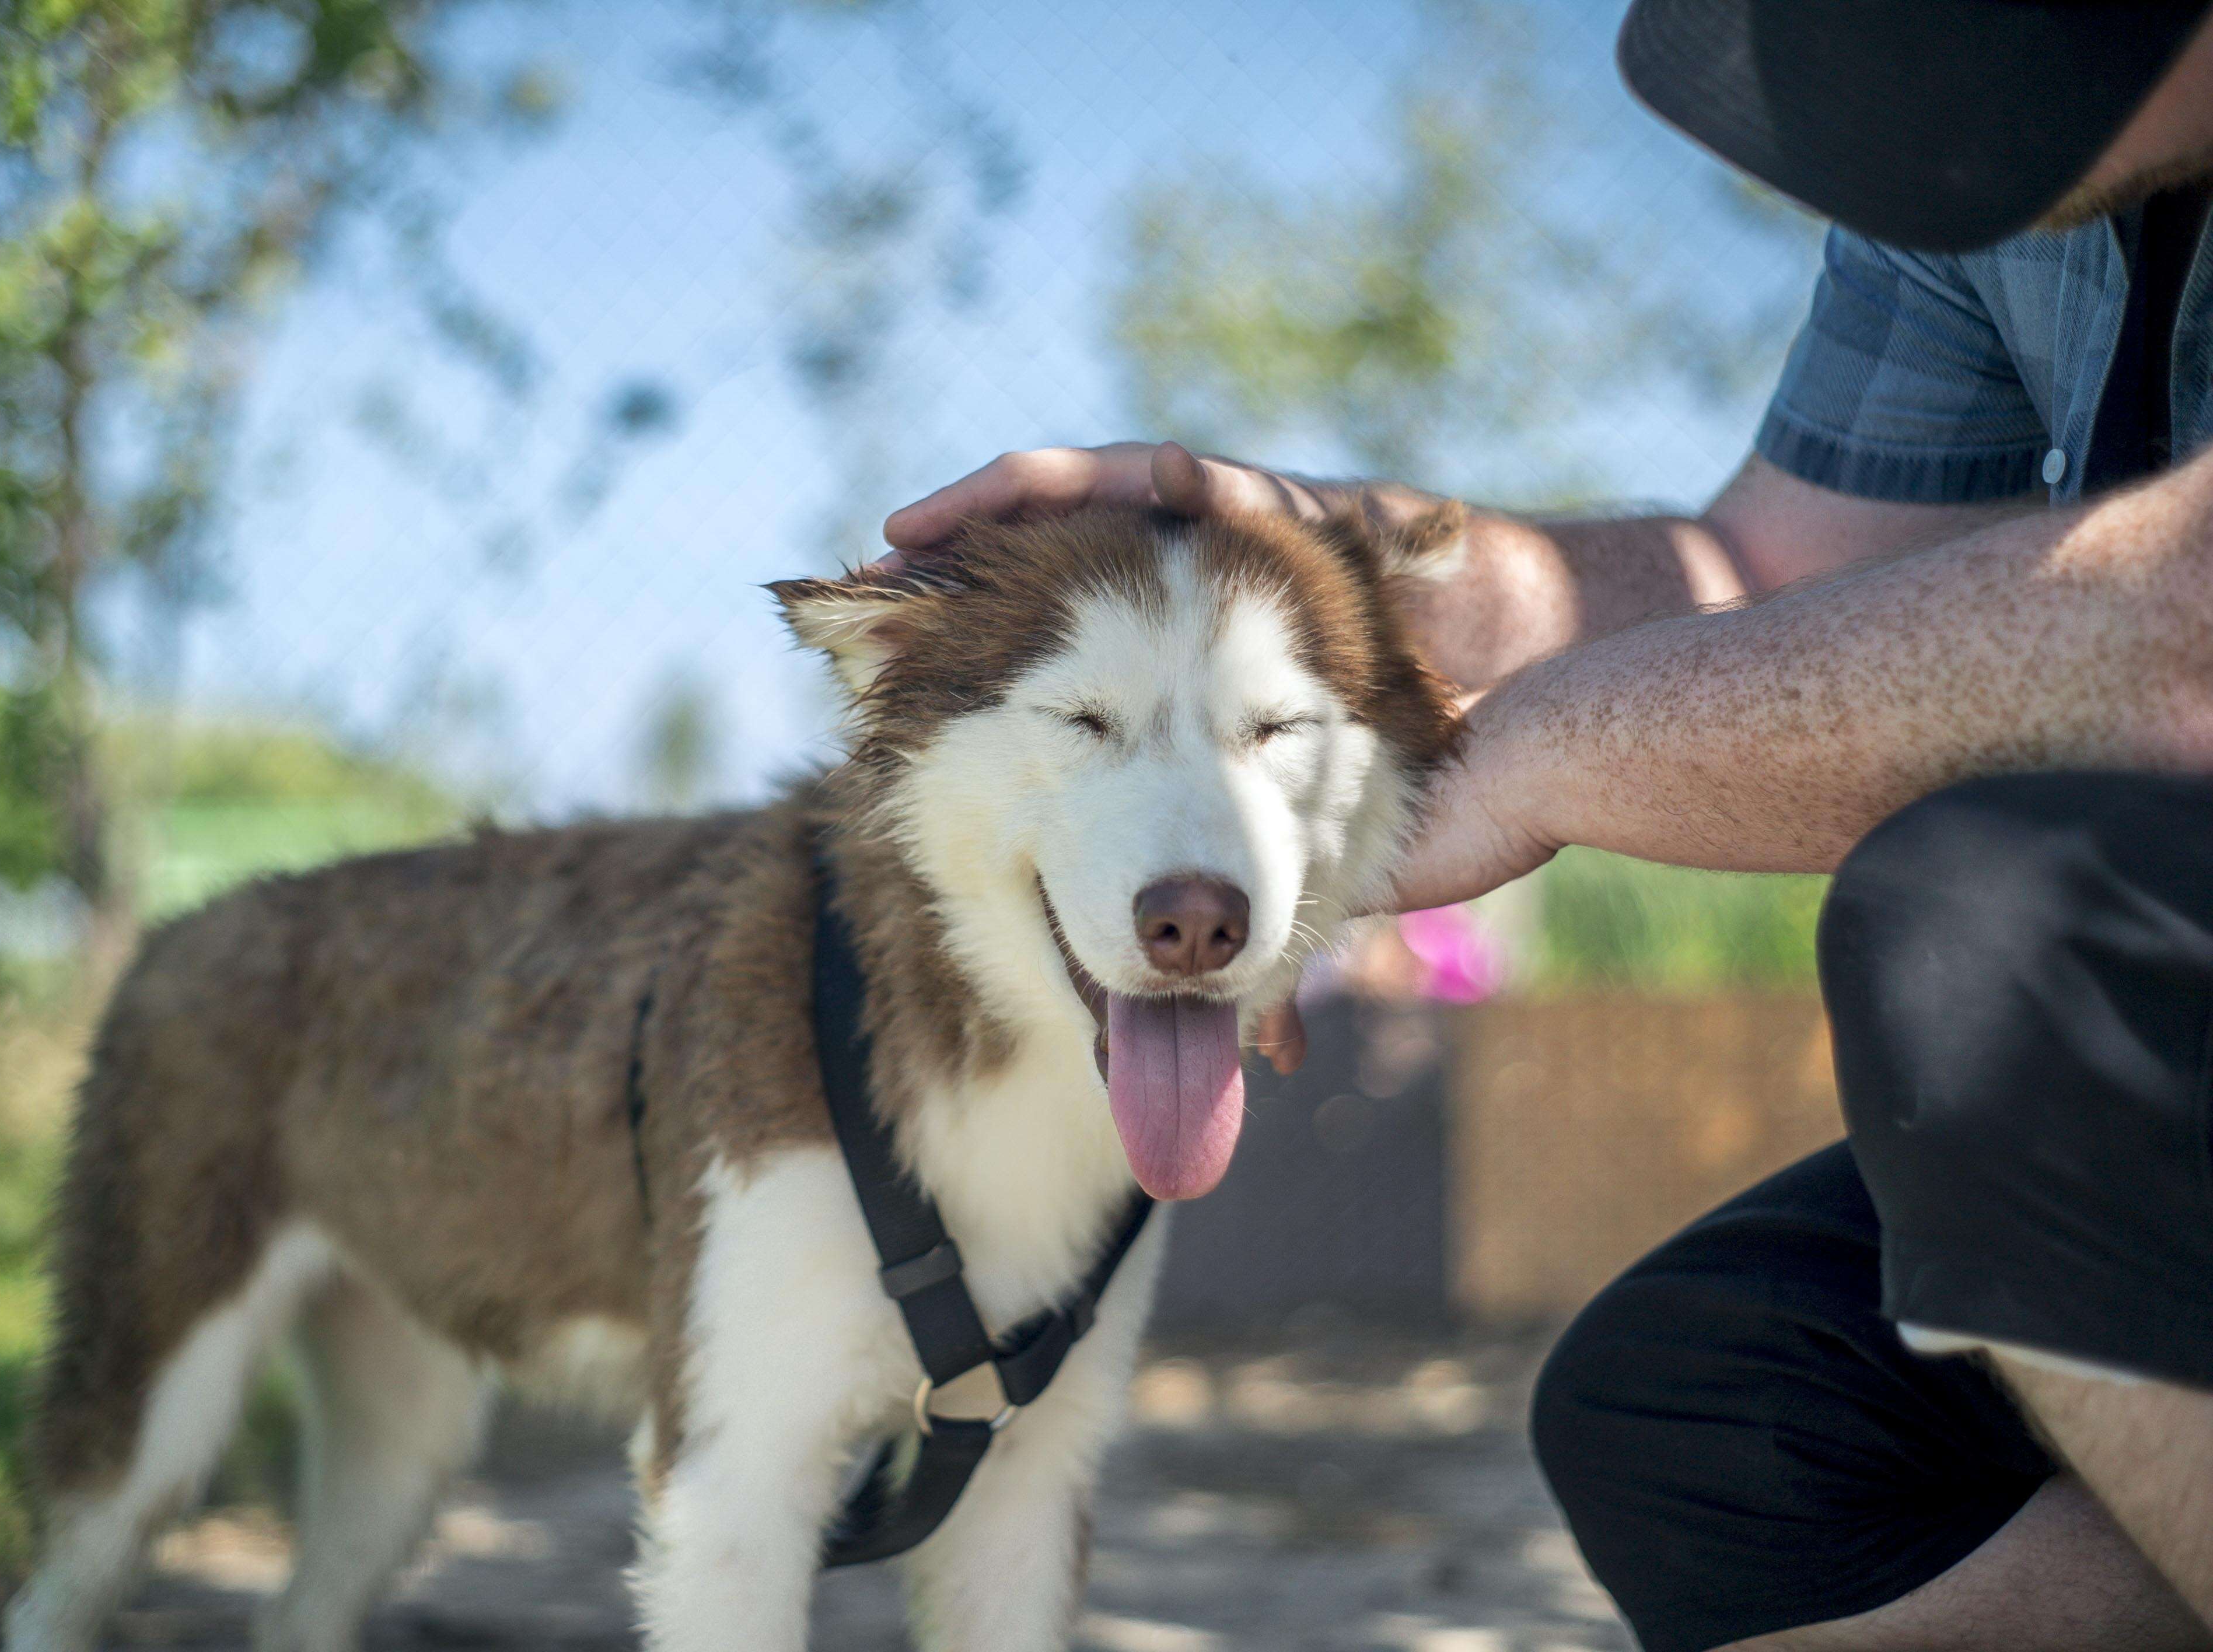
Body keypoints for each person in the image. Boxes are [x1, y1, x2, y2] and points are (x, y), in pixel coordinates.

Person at [880, 4, 2213, 1648]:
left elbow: (2187, 621)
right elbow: (1773, 582)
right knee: (1703, 1425)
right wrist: (1359, 577)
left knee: (1990, 932)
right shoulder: (1976, 160)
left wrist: (1531, 762)